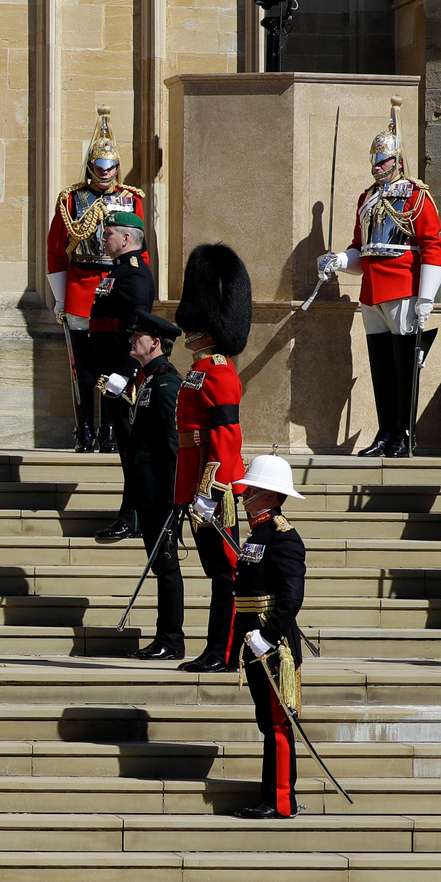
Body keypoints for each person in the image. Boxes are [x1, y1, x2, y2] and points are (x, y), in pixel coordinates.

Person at [318, 97, 441, 458]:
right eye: (373, 161)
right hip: (371, 293)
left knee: (405, 368)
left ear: (398, 160)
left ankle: (404, 433)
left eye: (383, 160)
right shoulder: (367, 199)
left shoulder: (416, 196)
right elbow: (363, 248)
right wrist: (340, 259)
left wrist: (425, 298)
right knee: (382, 368)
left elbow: (433, 247)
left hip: (403, 288)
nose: (376, 167)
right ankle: (385, 431)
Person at [46, 107, 148, 453]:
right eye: (100, 167)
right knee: (83, 369)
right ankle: (84, 429)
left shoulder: (131, 199)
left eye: (111, 167)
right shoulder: (72, 200)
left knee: (115, 363)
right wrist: (61, 298)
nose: (106, 173)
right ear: (91, 167)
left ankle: (110, 430)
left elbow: (141, 253)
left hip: (117, 290)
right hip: (81, 290)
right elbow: (56, 250)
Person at [172, 243, 252, 674]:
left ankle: (223, 652)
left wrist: (211, 489)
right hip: (197, 484)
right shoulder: (200, 370)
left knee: (226, 575)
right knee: (216, 574)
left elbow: (226, 437)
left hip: (214, 490)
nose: (187, 334)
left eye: (195, 327)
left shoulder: (219, 372)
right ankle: (215, 648)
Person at [231, 455, 309, 820]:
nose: (244, 494)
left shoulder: (283, 536)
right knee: (267, 719)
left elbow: (290, 598)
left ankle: (280, 800)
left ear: (267, 495)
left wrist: (266, 635)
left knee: (277, 723)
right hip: (256, 640)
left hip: (273, 645)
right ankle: (271, 794)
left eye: (251, 489)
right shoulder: (258, 531)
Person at [110, 312, 188, 660]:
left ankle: (171, 639)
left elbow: (173, 445)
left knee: (167, 565)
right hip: (148, 491)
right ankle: (165, 637)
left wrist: (175, 496)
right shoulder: (149, 381)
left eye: (137, 336)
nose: (131, 340)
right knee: (161, 565)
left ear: (155, 343)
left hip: (161, 494)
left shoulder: (166, 385)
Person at [88, 213, 157, 541]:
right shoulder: (118, 271)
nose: (104, 238)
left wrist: (126, 373)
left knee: (133, 451)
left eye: (110, 233)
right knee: (127, 450)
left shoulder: (133, 275)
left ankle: (134, 519)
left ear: (127, 239)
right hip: (111, 370)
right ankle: (133, 516)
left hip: (124, 375)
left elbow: (137, 328)